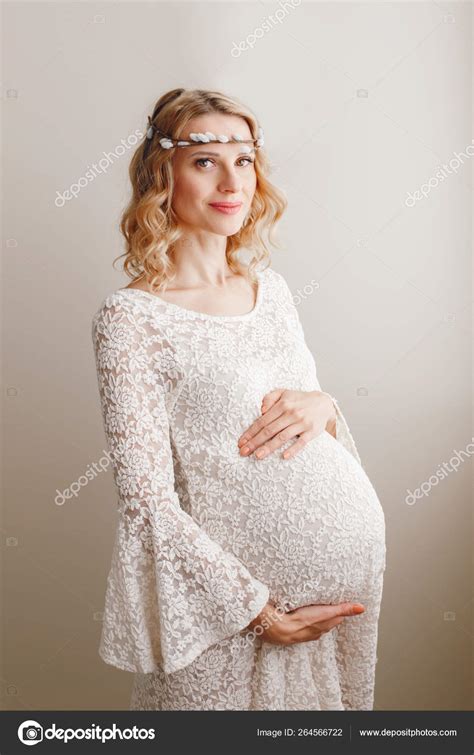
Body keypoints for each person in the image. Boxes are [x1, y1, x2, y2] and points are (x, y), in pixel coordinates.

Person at [91, 88, 386, 711]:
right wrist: (255, 612)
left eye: (245, 160)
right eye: (205, 161)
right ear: (160, 173)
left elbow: (307, 421)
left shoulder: (270, 290)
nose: (232, 181)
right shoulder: (131, 319)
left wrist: (326, 404)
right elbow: (146, 504)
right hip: (229, 617)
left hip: (333, 616)